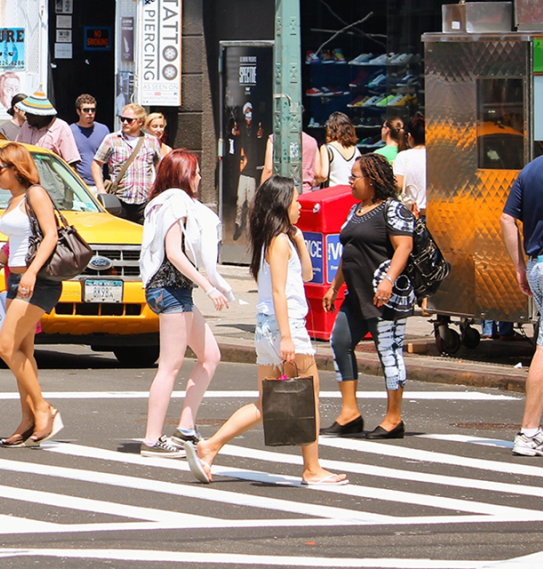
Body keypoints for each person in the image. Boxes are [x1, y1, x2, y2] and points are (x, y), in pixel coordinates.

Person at [184, 176, 347, 486]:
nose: (300, 206)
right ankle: (311, 469)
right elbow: (278, 292)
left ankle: (209, 446)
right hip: (284, 328)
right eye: (296, 201)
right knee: (308, 396)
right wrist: (287, 337)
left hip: (266, 328)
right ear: (283, 205)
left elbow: (309, 274)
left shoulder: (276, 239)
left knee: (265, 402)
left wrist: (299, 238)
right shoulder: (278, 241)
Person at [138, 149, 230, 457]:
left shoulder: (162, 200)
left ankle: (185, 429)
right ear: (181, 175)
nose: (200, 177)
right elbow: (174, 252)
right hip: (170, 290)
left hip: (172, 290)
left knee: (210, 356)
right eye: (195, 172)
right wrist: (208, 285)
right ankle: (152, 440)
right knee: (169, 366)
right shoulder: (175, 200)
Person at [0, 143, 64, 446]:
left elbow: (50, 234)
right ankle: (28, 419)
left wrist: (31, 271)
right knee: (23, 352)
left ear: (16, 168)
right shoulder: (14, 199)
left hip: (35, 280)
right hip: (15, 279)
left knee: (5, 347)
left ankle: (43, 408)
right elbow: (13, 243)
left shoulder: (35, 194)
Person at [321, 153, 414, 440]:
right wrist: (335, 286)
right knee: (340, 342)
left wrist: (389, 280)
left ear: (371, 181)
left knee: (389, 353)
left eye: (354, 176)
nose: (349, 181)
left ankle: (393, 418)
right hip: (356, 294)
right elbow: (349, 252)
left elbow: (404, 247)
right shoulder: (356, 210)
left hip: (384, 296)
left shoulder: (393, 209)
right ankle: (350, 413)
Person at [499, 114, 543, 457]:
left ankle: (531, 430)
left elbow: (507, 218)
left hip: (541, 266)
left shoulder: (533, 169)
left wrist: (519, 267)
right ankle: (529, 432)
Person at [93, 103, 162, 224]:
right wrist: (100, 188)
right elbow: (96, 163)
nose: (124, 122)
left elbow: (159, 167)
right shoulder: (112, 139)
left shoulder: (151, 141)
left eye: (129, 120)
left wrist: (158, 190)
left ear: (140, 122)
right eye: (122, 119)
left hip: (144, 201)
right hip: (119, 200)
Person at [15, 91, 80, 167]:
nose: (25, 115)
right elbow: (16, 151)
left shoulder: (61, 127)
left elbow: (71, 163)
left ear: (40, 115)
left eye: (29, 113)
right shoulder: (26, 126)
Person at [233, 106, 264, 240]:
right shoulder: (241, 128)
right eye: (247, 115)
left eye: (250, 115)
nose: (248, 119)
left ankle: (248, 226)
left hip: (252, 170)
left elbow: (260, 138)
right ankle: (238, 224)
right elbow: (234, 135)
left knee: (251, 200)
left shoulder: (257, 128)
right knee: (240, 201)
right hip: (243, 169)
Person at [70, 94, 109, 187]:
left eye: (93, 110)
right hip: (77, 184)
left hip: (99, 184)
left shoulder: (103, 130)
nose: (90, 113)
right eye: (86, 110)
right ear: (78, 111)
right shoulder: (70, 131)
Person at [393, 113, 426, 216]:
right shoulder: (437, 156)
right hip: (435, 212)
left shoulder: (403, 156)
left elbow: (398, 185)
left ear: (410, 137)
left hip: (412, 211)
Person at [315, 112, 359, 188]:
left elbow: (323, 175)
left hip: (333, 192)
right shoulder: (355, 148)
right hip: (351, 191)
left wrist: (316, 182)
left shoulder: (327, 148)